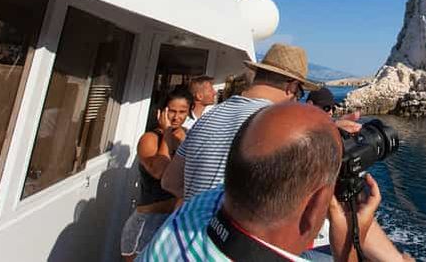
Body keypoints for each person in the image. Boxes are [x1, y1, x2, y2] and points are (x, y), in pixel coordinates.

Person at [140, 103, 408, 262]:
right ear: (316, 205)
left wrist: (318, 136)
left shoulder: (196, 211)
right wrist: (347, 245)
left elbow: (269, 160)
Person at [161, 43, 321, 201]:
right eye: (299, 93)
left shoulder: (208, 116)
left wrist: (202, 203)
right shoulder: (276, 123)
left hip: (188, 222)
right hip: (232, 227)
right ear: (291, 87)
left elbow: (170, 182)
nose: (297, 99)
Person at [120, 86, 192, 261]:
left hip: (174, 221)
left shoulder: (188, 136)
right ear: (162, 112)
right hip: (147, 222)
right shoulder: (150, 139)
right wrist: (166, 133)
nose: (176, 117)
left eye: (182, 112)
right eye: (172, 111)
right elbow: (160, 171)